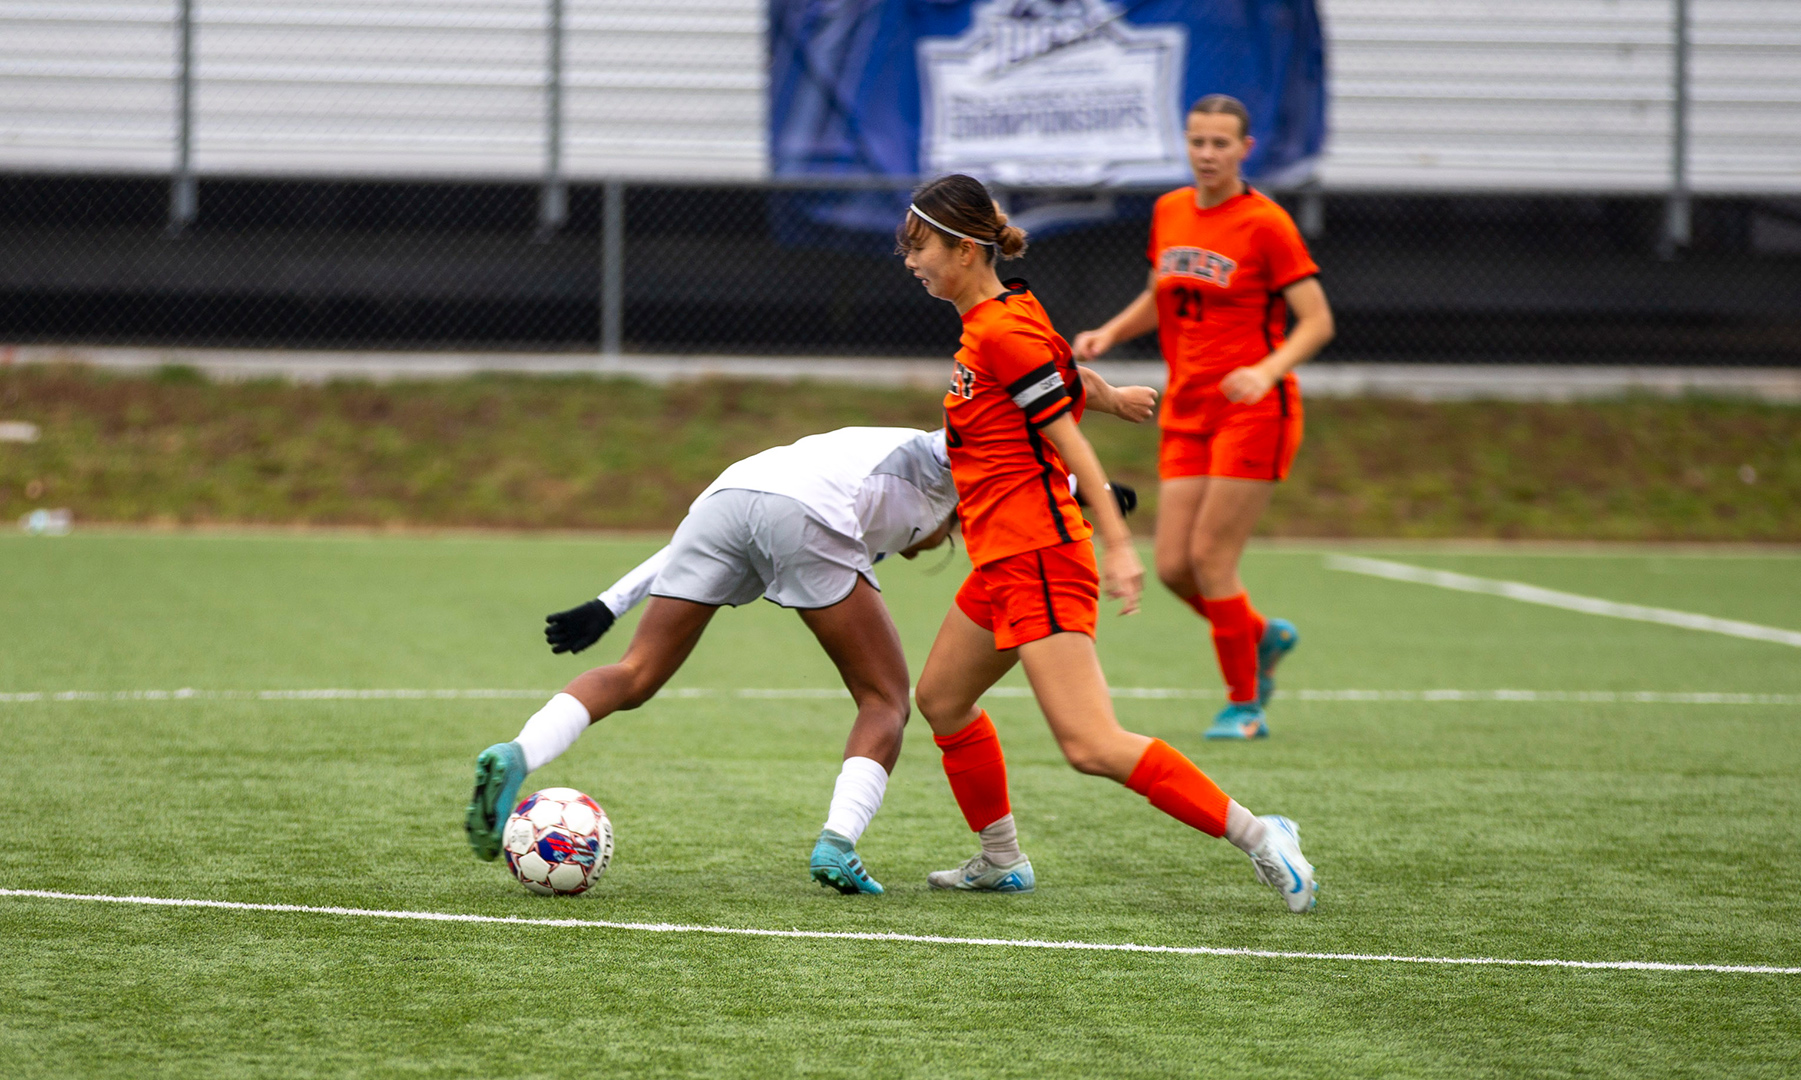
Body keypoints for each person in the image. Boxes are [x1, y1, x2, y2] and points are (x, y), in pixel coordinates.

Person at [465, 397, 1156, 895]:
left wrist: (611, 603)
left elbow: (726, 519)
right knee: (885, 699)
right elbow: (990, 441)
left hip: (729, 492)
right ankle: (838, 843)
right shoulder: (937, 459)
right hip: (801, 513)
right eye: (939, 540)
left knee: (636, 672)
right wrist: (1089, 489)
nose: (925, 550)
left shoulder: (865, 483)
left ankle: (517, 753)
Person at [899, 172, 1317, 911]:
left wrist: (1120, 547)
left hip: (1038, 552)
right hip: (1002, 557)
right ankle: (1001, 859)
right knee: (941, 699)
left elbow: (1070, 443)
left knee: (1091, 744)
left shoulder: (1001, 328)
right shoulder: (1005, 316)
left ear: (965, 250)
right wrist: (1111, 394)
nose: (910, 258)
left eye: (920, 243)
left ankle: (1261, 833)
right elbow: (1058, 374)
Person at [1072, 93, 1336, 741]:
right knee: (1171, 568)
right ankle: (1261, 635)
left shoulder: (1266, 224)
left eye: (1222, 143)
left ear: (1246, 150)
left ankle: (1244, 705)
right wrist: (1111, 332)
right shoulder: (1169, 211)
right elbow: (1162, 291)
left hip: (1254, 412)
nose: (1208, 154)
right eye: (1198, 141)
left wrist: (1268, 370)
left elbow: (1318, 320)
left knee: (1213, 559)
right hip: (1187, 407)